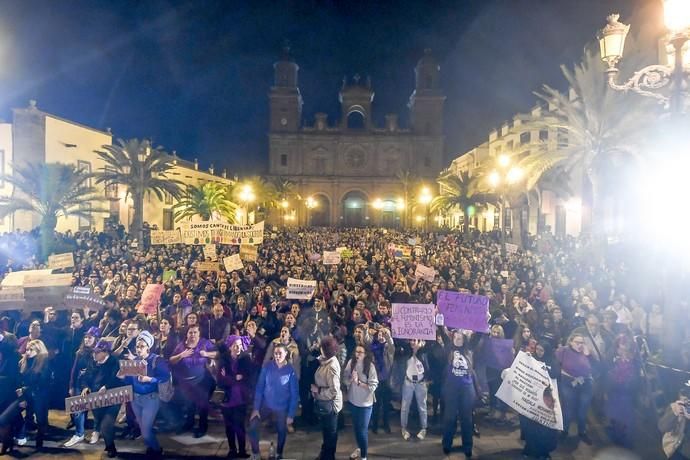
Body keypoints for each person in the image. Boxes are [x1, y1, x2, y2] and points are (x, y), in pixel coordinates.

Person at [122, 330, 170, 458]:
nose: (138, 349)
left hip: (150, 399)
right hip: (135, 399)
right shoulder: (134, 360)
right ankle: (152, 448)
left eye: (142, 346)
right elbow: (129, 380)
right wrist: (123, 375)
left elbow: (165, 377)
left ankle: (157, 449)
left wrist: (150, 379)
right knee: (142, 428)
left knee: (146, 431)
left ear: (148, 347)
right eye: (137, 346)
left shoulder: (156, 360)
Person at [249, 343, 299, 460]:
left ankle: (279, 453)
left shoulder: (290, 371)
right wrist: (256, 408)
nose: (277, 356)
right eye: (275, 353)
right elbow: (260, 387)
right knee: (252, 426)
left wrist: (291, 415)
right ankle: (256, 453)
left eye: (280, 353)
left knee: (282, 430)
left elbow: (294, 394)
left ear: (286, 354)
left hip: (281, 407)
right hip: (266, 405)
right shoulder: (267, 367)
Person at [169, 323, 217, 437]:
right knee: (189, 404)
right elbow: (171, 360)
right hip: (187, 382)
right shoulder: (181, 346)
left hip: (203, 380)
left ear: (199, 333)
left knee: (202, 404)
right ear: (187, 334)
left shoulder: (204, 343)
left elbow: (218, 353)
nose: (193, 335)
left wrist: (207, 354)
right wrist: (181, 355)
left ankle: (202, 427)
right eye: (190, 332)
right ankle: (189, 424)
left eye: (195, 332)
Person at [80, 339, 121, 458]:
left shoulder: (114, 362)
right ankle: (109, 444)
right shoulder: (93, 362)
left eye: (97, 352)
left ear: (105, 352)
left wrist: (107, 387)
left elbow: (118, 379)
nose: (94, 354)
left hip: (112, 398)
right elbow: (85, 377)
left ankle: (111, 447)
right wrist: (85, 387)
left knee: (106, 424)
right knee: (101, 422)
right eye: (94, 352)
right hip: (96, 398)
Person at [441, 329, 477, 459]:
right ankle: (447, 444)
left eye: (460, 337)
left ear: (464, 339)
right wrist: (438, 317)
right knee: (449, 417)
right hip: (451, 389)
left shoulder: (469, 349)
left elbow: (479, 334)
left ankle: (467, 446)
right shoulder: (448, 348)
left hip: (466, 389)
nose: (457, 339)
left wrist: (485, 318)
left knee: (466, 419)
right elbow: (442, 331)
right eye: (455, 337)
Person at [556, 331, 596, 444]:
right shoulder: (563, 351)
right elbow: (555, 364)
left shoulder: (587, 353)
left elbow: (598, 367)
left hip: (585, 383)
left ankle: (582, 432)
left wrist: (589, 355)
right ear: (571, 342)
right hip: (568, 383)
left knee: (583, 410)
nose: (580, 345)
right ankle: (564, 431)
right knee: (568, 409)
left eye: (582, 342)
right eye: (577, 342)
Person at [63, 326, 99, 447]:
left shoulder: (100, 352)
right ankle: (79, 434)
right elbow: (74, 370)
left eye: (90, 337)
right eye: (86, 337)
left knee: (96, 410)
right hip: (80, 383)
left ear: (96, 339)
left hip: (94, 385)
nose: (87, 340)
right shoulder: (80, 352)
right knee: (78, 410)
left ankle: (96, 432)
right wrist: (71, 385)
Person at [217, 335, 252, 459]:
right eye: (235, 345)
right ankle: (232, 449)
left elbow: (248, 376)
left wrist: (229, 377)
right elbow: (220, 379)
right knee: (229, 426)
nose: (238, 348)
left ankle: (242, 450)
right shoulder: (223, 359)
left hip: (241, 397)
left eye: (240, 345)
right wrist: (234, 378)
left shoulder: (245, 358)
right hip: (227, 398)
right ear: (230, 346)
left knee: (240, 425)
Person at [343, 344, 378, 460]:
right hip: (353, 401)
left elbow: (373, 386)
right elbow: (345, 379)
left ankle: (364, 456)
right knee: (356, 428)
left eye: (360, 352)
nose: (357, 354)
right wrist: (350, 380)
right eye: (356, 352)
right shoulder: (350, 363)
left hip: (365, 404)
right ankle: (359, 448)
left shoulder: (370, 366)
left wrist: (358, 382)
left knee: (362, 430)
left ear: (365, 354)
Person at [311, 335, 343, 460]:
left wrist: (318, 390)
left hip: (330, 405)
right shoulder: (325, 360)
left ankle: (328, 456)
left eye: (321, 348)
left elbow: (334, 390)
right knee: (327, 432)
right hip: (325, 404)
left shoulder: (332, 367)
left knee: (330, 434)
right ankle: (325, 454)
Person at [16, 339, 51, 449]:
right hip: (28, 393)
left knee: (41, 418)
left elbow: (43, 381)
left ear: (39, 350)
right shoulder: (24, 361)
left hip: (39, 393)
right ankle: (24, 434)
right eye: (27, 349)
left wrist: (25, 389)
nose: (28, 352)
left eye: (31, 350)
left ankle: (39, 439)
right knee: (27, 415)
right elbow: (20, 378)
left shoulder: (45, 362)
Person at [397, 338, 430, 441]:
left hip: (421, 383)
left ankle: (424, 428)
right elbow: (399, 340)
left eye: (414, 340)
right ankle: (404, 428)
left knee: (422, 407)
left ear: (419, 341)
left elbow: (431, 342)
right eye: (410, 340)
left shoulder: (424, 352)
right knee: (405, 406)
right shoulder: (407, 351)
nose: (412, 342)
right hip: (408, 382)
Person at [658, 381, 690, 460]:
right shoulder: (675, 407)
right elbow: (662, 427)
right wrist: (674, 413)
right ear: (679, 395)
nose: (687, 398)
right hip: (676, 449)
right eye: (684, 394)